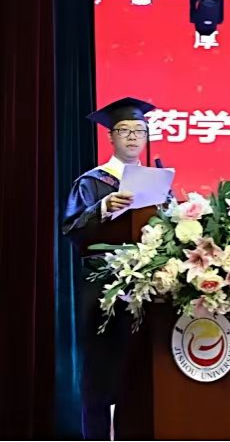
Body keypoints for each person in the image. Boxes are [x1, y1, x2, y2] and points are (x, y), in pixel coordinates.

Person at [62, 97, 155, 440]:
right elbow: (71, 229)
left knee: (140, 376)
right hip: (102, 293)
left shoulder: (156, 181)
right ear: (111, 137)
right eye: (124, 130)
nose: (132, 137)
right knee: (100, 377)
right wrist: (101, 208)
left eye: (139, 131)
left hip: (146, 290)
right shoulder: (91, 182)